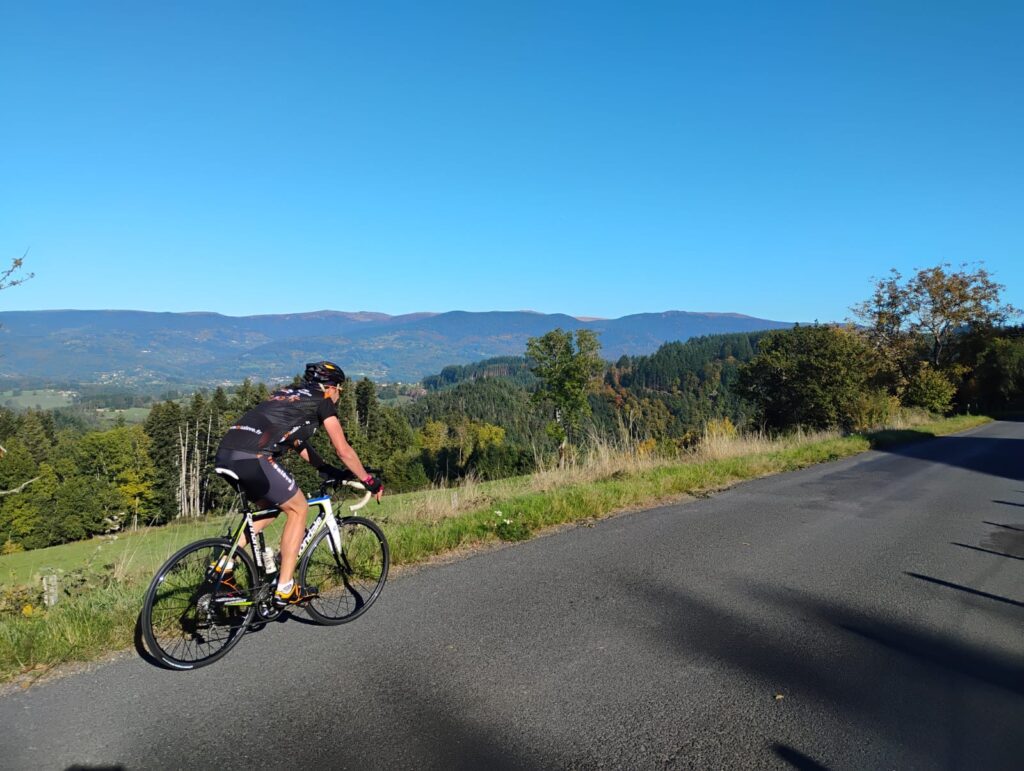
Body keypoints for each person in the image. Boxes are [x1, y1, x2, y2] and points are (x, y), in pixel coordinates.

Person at [214, 361, 383, 607]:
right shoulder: (322, 400)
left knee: (269, 507)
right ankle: (285, 587)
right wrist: (368, 480)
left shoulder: (288, 394)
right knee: (299, 508)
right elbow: (343, 449)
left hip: (226, 454)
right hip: (254, 457)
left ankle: (224, 565)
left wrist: (324, 469)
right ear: (331, 387)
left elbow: (297, 442)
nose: (339, 396)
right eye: (340, 390)